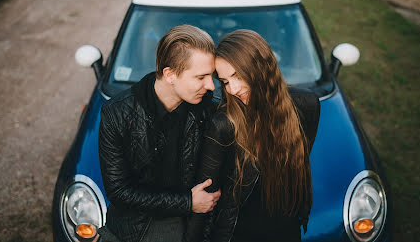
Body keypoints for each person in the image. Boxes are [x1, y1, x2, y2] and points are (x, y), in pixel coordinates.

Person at [186, 29, 320, 242]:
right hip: (239, 234)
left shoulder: (306, 106)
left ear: (262, 66)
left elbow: (301, 164)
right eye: (226, 81)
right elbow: (206, 198)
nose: (233, 89)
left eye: (238, 75)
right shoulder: (223, 125)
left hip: (287, 232)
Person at [98, 25, 221, 242]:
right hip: (132, 226)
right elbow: (118, 190)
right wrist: (187, 202)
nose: (211, 85)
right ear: (170, 74)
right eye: (201, 77)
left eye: (211, 76)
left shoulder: (208, 109)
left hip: (187, 226)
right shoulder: (117, 113)